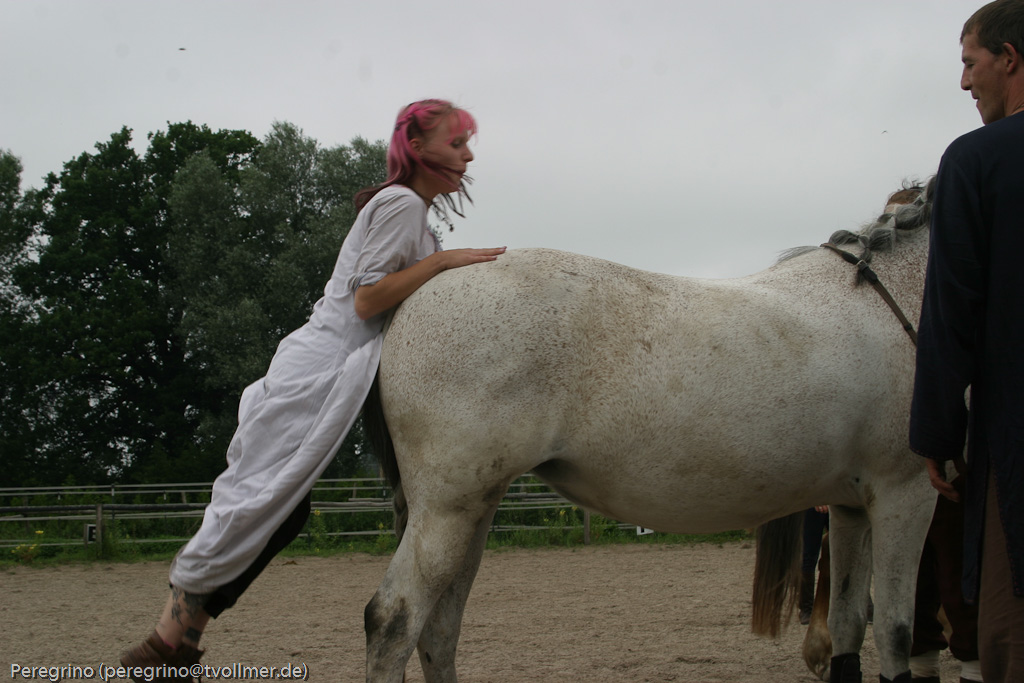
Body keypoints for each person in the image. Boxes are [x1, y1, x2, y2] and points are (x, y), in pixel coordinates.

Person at [119, 99, 505, 678]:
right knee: (260, 504)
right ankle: (163, 645)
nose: (467, 155)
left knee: (277, 509)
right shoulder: (402, 204)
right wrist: (442, 262)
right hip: (319, 369)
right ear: (417, 148)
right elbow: (367, 299)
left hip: (331, 370)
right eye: (456, 143)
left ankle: (176, 644)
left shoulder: (413, 215)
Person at [909, 2, 1024, 681]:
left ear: (1009, 58)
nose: (963, 82)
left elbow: (950, 312)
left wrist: (936, 432)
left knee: (1010, 629)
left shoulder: (977, 160)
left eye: (969, 62)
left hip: (1015, 444)